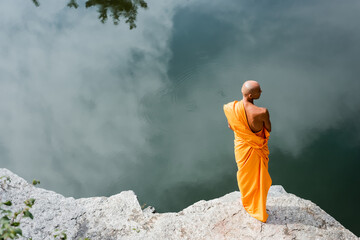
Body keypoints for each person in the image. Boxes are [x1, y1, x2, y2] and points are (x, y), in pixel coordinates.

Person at [223, 80, 272, 222]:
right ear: (250, 95)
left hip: (241, 147)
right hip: (256, 148)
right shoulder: (262, 112)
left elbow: (231, 126)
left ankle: (247, 200)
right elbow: (268, 129)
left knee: (244, 175)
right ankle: (257, 205)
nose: (261, 92)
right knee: (258, 178)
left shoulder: (230, 108)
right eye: (258, 90)